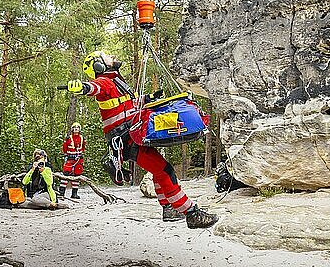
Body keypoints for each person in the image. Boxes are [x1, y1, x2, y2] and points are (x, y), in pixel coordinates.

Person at [66, 50, 218, 229]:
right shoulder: (105, 81)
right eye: (107, 56)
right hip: (127, 139)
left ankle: (168, 208)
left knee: (160, 170)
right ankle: (191, 213)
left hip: (130, 136)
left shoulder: (116, 82)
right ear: (99, 65)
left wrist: (148, 98)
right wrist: (83, 87)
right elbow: (95, 88)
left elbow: (129, 104)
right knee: (165, 171)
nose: (112, 56)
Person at [59, 122, 86, 199]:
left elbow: (83, 147)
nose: (76, 129)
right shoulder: (68, 138)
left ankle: (74, 193)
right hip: (70, 158)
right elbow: (64, 149)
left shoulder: (82, 138)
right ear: (72, 129)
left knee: (77, 175)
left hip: (78, 159)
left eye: (77, 128)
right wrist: (68, 154)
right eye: (74, 128)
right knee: (65, 174)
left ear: (79, 129)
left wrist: (80, 154)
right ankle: (61, 193)